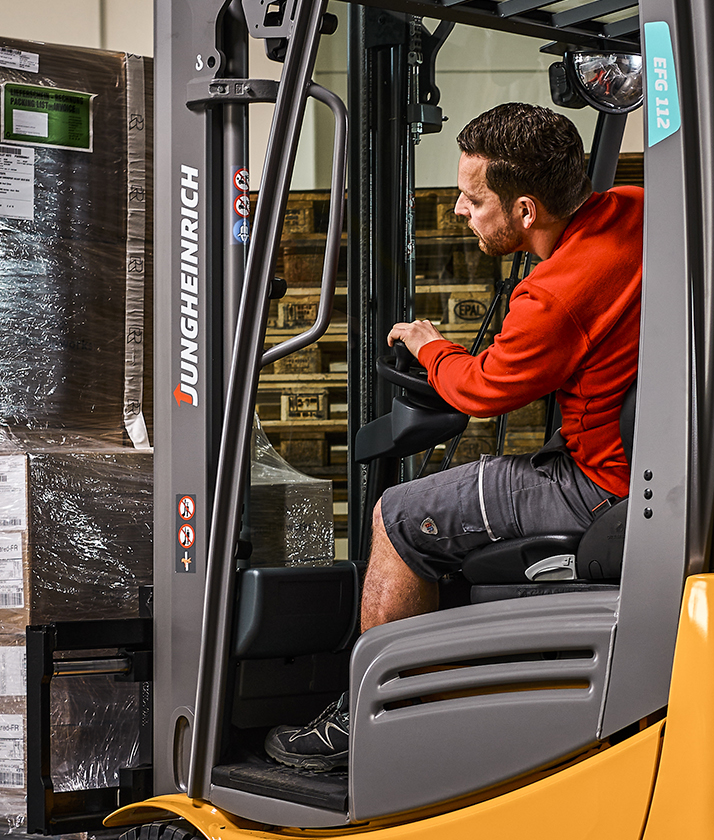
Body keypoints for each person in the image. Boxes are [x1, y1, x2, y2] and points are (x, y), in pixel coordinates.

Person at [266, 102, 642, 773]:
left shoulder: (553, 297)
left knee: (400, 516)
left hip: (597, 486)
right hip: (649, 467)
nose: (462, 211)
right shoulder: (636, 210)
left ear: (525, 210)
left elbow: (482, 390)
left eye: (474, 199)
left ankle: (368, 722)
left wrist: (430, 343)